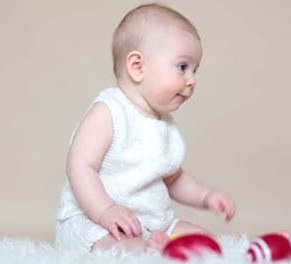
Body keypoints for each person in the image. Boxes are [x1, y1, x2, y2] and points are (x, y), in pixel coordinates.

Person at [55, 3, 236, 253]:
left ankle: (158, 246)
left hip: (153, 223)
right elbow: (80, 167)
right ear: (138, 67)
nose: (192, 80)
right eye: (183, 67)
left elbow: (175, 179)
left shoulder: (167, 128)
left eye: (195, 70)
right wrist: (106, 211)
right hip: (95, 221)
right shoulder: (109, 113)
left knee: (204, 241)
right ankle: (146, 249)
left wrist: (206, 196)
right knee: (112, 247)